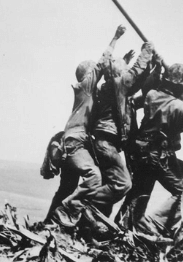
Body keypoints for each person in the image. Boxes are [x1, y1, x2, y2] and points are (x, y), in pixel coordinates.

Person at [118, 63, 183, 236]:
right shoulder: (179, 108)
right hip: (158, 156)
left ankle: (124, 223)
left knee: (142, 190)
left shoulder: (152, 95)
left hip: (142, 152)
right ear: (180, 86)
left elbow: (136, 102)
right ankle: (155, 226)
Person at [49, 25, 126, 227]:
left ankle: (49, 222)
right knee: (94, 176)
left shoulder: (88, 94)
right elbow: (102, 64)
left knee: (66, 186)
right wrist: (115, 38)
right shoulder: (86, 87)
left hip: (73, 142)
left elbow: (107, 74)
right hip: (76, 141)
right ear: (87, 75)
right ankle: (67, 211)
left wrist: (123, 62)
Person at [88, 41, 156, 216]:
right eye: (123, 70)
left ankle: (94, 224)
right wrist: (146, 51)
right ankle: (82, 202)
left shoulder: (117, 93)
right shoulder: (116, 85)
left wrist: (154, 69)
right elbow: (133, 75)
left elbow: (139, 86)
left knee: (109, 185)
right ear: (118, 73)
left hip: (107, 145)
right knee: (123, 184)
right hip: (106, 144)